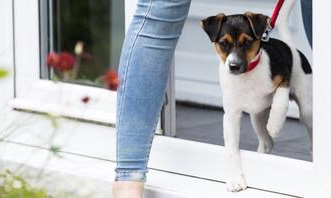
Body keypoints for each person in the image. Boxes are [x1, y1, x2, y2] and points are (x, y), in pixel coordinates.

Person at [113, 0, 312, 197]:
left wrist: (280, 102)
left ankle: (319, 154)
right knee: (158, 11)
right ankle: (129, 177)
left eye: (246, 45)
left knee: (309, 114)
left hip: (292, 71)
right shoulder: (226, 72)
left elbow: (283, 77)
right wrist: (233, 172)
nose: (234, 59)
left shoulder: (269, 61)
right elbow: (231, 117)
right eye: (224, 45)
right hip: (254, 96)